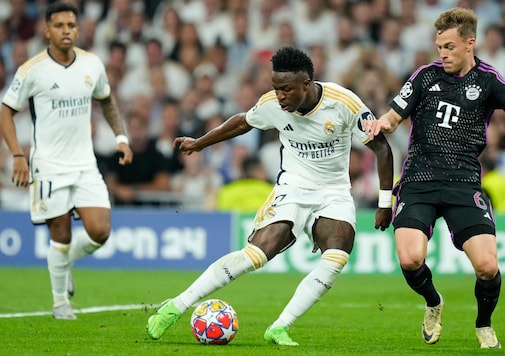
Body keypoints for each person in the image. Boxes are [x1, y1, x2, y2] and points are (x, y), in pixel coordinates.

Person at [146, 46, 394, 345]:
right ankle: (175, 307)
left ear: (306, 84)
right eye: (276, 88)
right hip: (292, 187)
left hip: (333, 192)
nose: (280, 96)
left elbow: (381, 147)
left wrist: (385, 202)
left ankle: (280, 327)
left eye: (286, 89)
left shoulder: (343, 102)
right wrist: (199, 143)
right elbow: (241, 122)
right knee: (256, 255)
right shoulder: (272, 104)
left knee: (338, 254)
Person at [362, 7, 505, 349]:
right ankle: (433, 302)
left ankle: (484, 323)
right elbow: (393, 116)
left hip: (463, 182)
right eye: (439, 46)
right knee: (410, 258)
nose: (442, 53)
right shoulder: (425, 76)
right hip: (419, 180)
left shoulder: (488, 79)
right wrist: (380, 124)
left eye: (448, 46)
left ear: (469, 44)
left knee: (488, 267)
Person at [0, 2, 132, 320]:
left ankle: (67, 262)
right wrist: (18, 154)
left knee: (100, 232)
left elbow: (106, 100)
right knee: (60, 234)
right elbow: (6, 110)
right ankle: (61, 303)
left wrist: (122, 138)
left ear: (77, 28)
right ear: (47, 30)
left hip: (84, 164)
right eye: (58, 25)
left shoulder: (92, 64)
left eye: (71, 25)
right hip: (48, 166)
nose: (66, 31)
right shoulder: (32, 70)